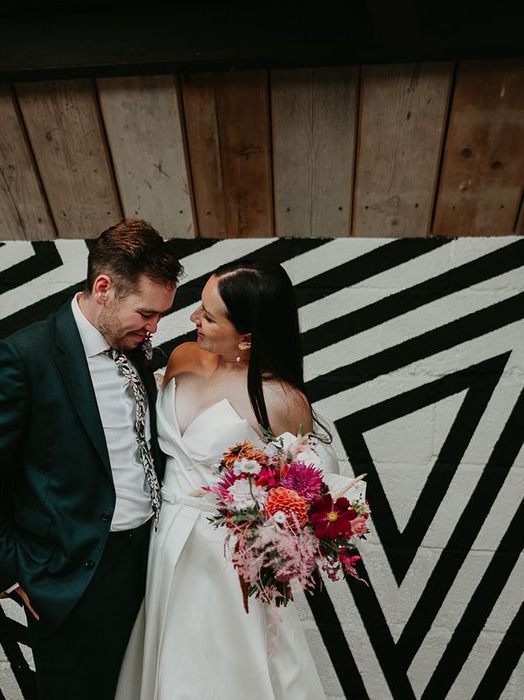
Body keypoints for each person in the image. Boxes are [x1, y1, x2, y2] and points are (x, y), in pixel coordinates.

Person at [0, 220, 183, 700]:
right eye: (146, 313)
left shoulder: (136, 350)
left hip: (148, 566)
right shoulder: (27, 357)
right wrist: (10, 570)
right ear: (103, 288)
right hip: (72, 577)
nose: (154, 328)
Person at [117, 260, 335, 699]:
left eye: (208, 315)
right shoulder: (183, 357)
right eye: (200, 306)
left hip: (222, 560)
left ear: (247, 337)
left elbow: (302, 489)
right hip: (161, 543)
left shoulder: (284, 401)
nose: (193, 319)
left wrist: (275, 533)